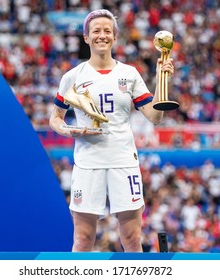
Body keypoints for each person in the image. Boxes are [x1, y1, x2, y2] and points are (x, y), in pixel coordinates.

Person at [49, 9, 175, 252]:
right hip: (88, 162)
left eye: (107, 31)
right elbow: (55, 117)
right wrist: (69, 130)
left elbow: (155, 116)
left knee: (131, 238)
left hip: (123, 161)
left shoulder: (129, 74)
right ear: (86, 37)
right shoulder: (72, 77)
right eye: (96, 31)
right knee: (83, 239)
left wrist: (163, 78)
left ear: (115, 37)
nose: (102, 35)